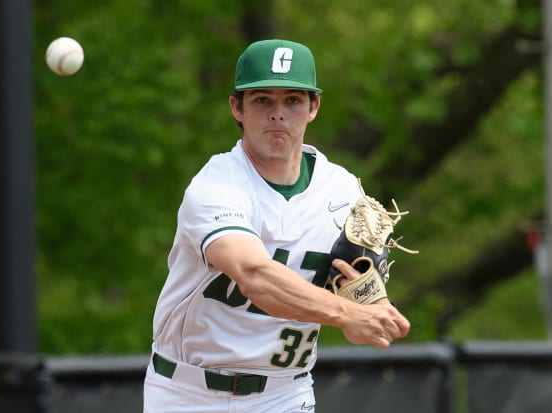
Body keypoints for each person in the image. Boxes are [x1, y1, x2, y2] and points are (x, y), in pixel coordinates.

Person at [143, 39, 410, 413]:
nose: (277, 113)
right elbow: (255, 276)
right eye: (263, 99)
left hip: (285, 394)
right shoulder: (216, 185)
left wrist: (371, 306)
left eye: (292, 100)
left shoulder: (343, 192)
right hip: (187, 394)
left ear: (313, 107)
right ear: (237, 107)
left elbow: (357, 288)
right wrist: (346, 314)